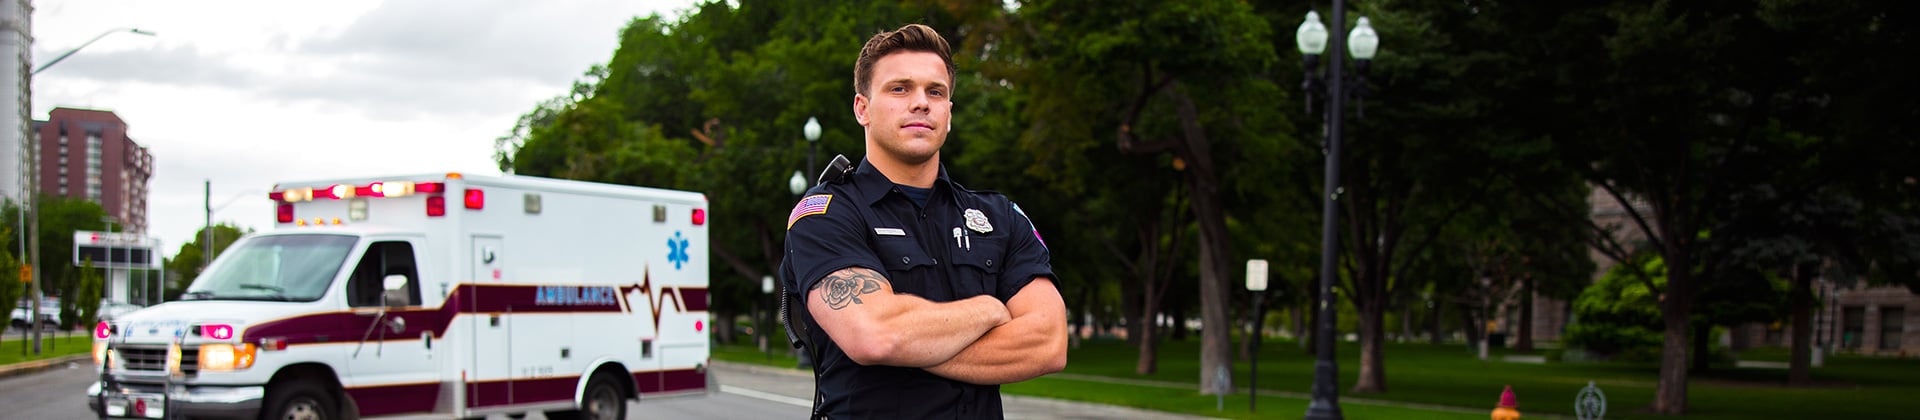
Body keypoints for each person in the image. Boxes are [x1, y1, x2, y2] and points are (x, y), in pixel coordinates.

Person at [779, 23, 1067, 419]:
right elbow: (875, 335)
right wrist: (989, 309)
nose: (921, 103)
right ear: (862, 108)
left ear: (949, 112)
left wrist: (911, 342)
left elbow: (1048, 343)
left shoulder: (999, 217)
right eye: (900, 88)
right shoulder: (826, 214)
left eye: (936, 91)